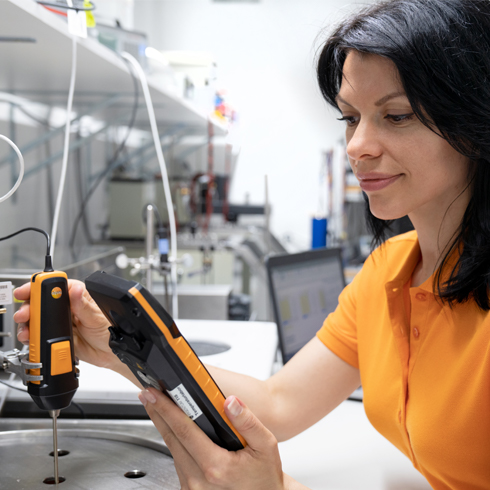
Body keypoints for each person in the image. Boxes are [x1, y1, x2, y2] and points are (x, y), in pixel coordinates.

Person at [13, 0, 490, 487]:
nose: (356, 145)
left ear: (475, 119)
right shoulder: (390, 270)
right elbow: (280, 402)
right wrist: (116, 347)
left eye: (397, 115)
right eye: (350, 117)